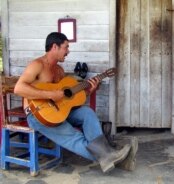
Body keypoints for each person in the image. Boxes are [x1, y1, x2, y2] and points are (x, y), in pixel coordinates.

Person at [14, 32, 132, 173]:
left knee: (87, 113)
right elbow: (18, 88)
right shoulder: (37, 65)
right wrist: (50, 94)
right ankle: (111, 156)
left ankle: (109, 156)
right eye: (66, 47)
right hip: (38, 115)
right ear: (54, 47)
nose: (68, 51)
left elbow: (65, 99)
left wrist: (89, 91)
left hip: (58, 111)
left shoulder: (59, 70)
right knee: (74, 136)